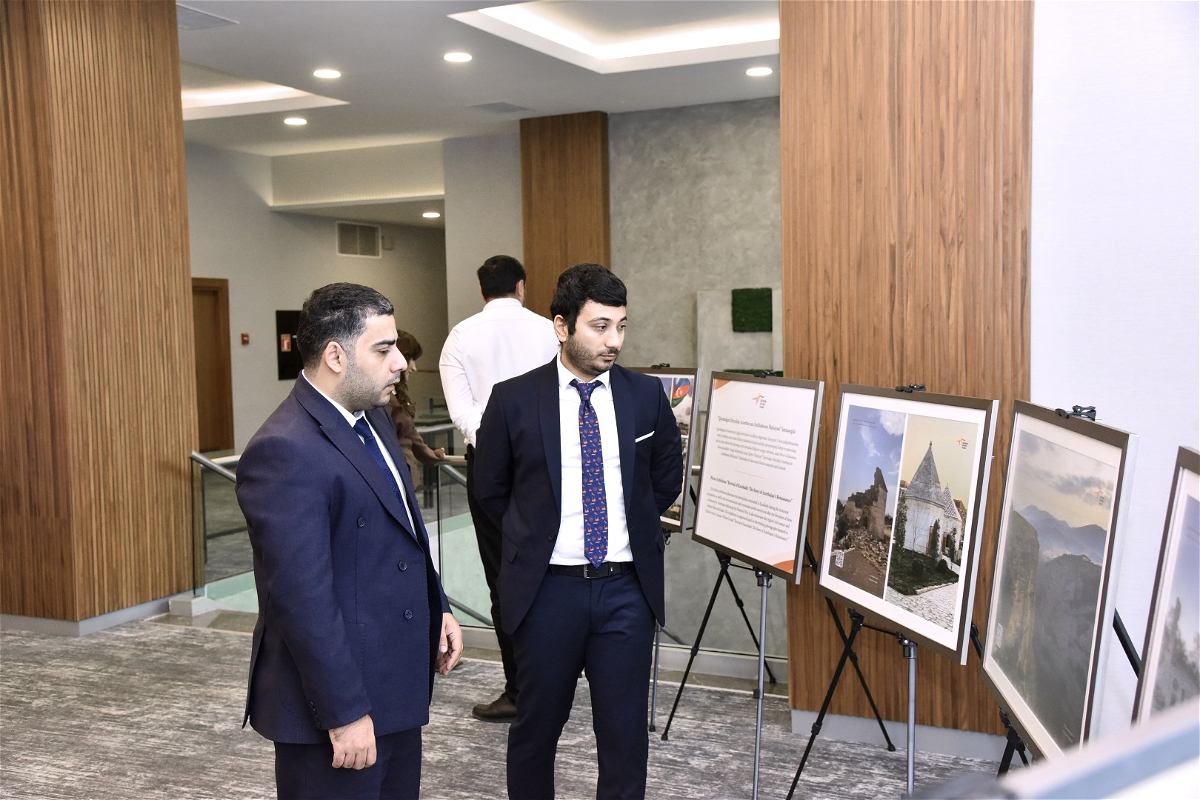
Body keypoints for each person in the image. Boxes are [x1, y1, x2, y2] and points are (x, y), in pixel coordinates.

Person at [236, 282, 463, 800]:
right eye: (383, 350)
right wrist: (344, 713)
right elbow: (302, 601)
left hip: (393, 688)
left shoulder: (373, 418)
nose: (400, 363)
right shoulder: (284, 450)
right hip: (335, 709)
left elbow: (403, 529)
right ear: (336, 356)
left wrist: (440, 607)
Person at [473, 263, 683, 799]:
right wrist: (532, 540)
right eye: (600, 326)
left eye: (621, 326)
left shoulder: (645, 396)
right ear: (562, 326)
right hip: (547, 593)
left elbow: (664, 480)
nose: (614, 341)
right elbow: (490, 491)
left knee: (624, 736)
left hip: (626, 592)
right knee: (536, 730)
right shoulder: (513, 399)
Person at [438, 255, 560, 722]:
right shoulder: (551, 331)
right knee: (555, 568)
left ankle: (519, 690)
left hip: (488, 468)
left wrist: (496, 442)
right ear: (521, 286)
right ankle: (556, 681)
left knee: (502, 576)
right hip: (549, 462)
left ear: (481, 290)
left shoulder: (460, 336)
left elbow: (461, 413)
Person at [387, 330, 445, 489]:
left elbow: (410, 434)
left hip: (403, 478)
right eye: (412, 359)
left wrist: (431, 454)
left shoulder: (394, 395)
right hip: (397, 479)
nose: (414, 367)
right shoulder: (384, 399)